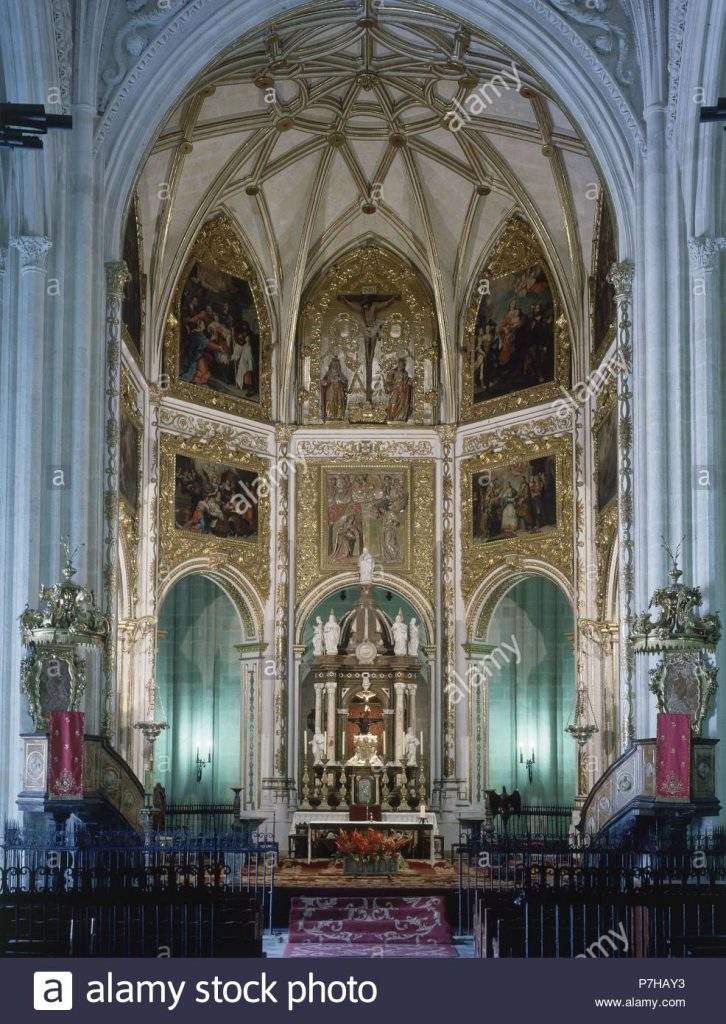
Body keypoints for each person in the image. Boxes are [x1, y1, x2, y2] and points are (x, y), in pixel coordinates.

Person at [385, 357, 413, 421]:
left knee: (402, 403)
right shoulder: (393, 371)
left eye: (403, 365)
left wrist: (409, 381)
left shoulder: (405, 373)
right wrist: (391, 385)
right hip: (395, 389)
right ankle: (392, 416)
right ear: (398, 364)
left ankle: (400, 416)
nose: (402, 366)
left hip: (403, 390)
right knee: (393, 402)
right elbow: (388, 381)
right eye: (400, 364)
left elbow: (407, 380)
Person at [321, 355, 348, 420]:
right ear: (331, 365)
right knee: (330, 402)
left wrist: (340, 380)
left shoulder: (340, 374)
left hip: (339, 391)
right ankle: (329, 415)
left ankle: (339, 415)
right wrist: (326, 382)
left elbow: (345, 382)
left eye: (337, 365)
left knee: (339, 402)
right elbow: (323, 381)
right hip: (330, 390)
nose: (335, 366)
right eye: (334, 364)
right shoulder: (328, 373)